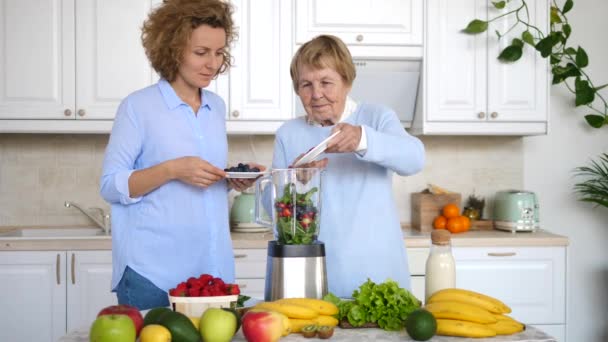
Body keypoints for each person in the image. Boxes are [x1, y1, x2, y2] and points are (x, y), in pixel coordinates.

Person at [100, 0, 259, 310]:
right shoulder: (138, 107)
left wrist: (229, 179)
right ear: (172, 49)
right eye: (201, 53)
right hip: (153, 275)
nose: (212, 64)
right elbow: (109, 185)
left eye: (218, 53)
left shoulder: (216, 107)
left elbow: (198, 182)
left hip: (211, 273)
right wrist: (172, 169)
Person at [272, 35, 425, 298]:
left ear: (347, 82)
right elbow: (272, 207)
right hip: (311, 275)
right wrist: (295, 181)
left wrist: (363, 140)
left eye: (326, 82)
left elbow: (414, 159)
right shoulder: (288, 133)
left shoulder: (376, 118)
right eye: (305, 84)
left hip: (378, 271)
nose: (316, 93)